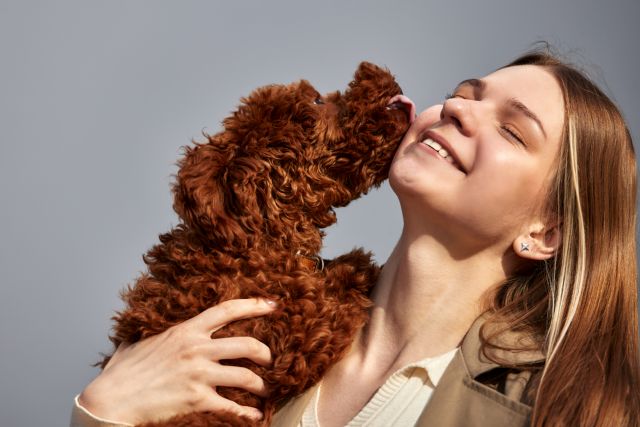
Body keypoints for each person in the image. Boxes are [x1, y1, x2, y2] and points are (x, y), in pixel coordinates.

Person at [72, 46, 640, 427]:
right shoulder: (241, 328)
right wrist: (101, 410)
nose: (459, 112)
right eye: (466, 94)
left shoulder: (560, 407)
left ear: (545, 233)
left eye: (513, 131)